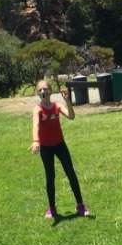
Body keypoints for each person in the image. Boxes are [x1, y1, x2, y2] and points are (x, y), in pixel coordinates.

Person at [30, 80, 90, 220]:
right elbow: (36, 125)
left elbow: (71, 116)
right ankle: (52, 208)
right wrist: (35, 141)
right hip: (45, 147)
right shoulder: (37, 109)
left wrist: (68, 101)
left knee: (71, 173)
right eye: (40, 90)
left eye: (45, 89)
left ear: (50, 91)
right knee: (50, 177)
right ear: (37, 93)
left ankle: (80, 205)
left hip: (59, 145)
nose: (43, 92)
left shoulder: (57, 106)